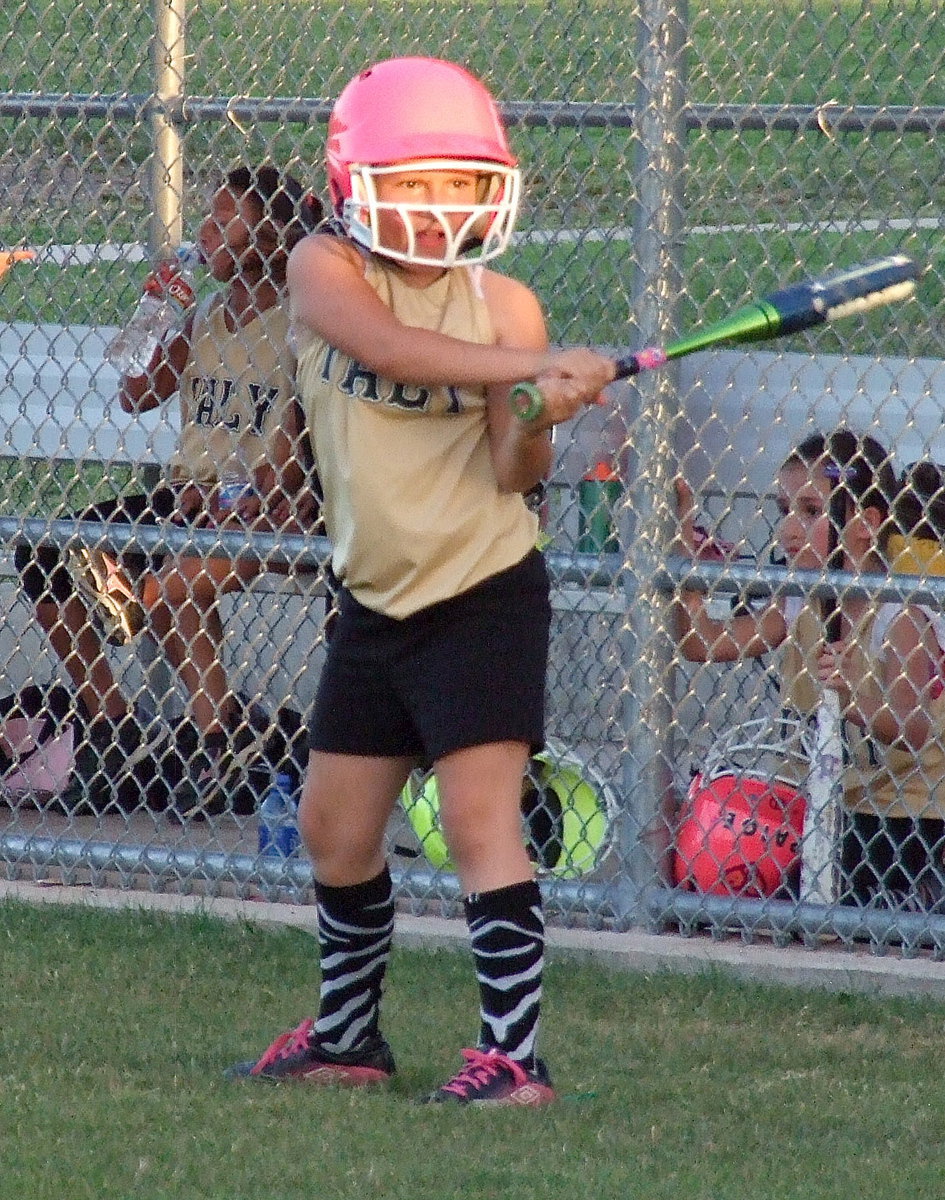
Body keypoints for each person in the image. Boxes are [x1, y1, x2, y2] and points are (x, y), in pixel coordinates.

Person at [225, 57, 616, 1106]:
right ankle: (351, 1039)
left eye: (458, 183)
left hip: (481, 591)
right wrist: (523, 372)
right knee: (335, 830)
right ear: (357, 184)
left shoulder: (508, 308)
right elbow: (393, 351)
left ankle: (513, 1060)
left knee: (481, 822)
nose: (438, 208)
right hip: (374, 597)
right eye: (412, 183)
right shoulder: (321, 267)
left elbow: (511, 474)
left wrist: (539, 415)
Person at [15, 163, 323, 814]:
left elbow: (303, 438)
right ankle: (114, 726)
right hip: (188, 495)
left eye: (223, 220)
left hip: (269, 502)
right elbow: (136, 394)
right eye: (205, 219)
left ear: (270, 236)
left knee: (170, 583)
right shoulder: (205, 315)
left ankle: (220, 743)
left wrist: (244, 494)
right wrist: (157, 312)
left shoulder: (306, 319)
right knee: (42, 557)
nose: (206, 233)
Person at [676, 429, 945, 909]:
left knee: (841, 867)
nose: (789, 529)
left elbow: (914, 727)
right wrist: (690, 572)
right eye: (784, 510)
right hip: (818, 808)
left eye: (811, 511)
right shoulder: (800, 596)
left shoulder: (898, 614)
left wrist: (853, 697)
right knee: (718, 833)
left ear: (866, 522)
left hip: (902, 816)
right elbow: (702, 644)